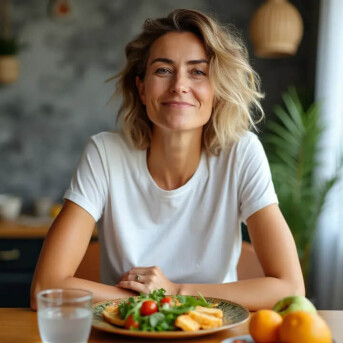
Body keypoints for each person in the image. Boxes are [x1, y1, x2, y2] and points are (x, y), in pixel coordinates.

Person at [30, 9, 304, 311]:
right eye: (163, 70)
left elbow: (290, 289)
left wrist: (173, 292)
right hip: (127, 333)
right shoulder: (105, 153)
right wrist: (158, 301)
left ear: (218, 91)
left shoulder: (241, 153)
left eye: (198, 72)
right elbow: (46, 287)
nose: (179, 85)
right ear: (142, 88)